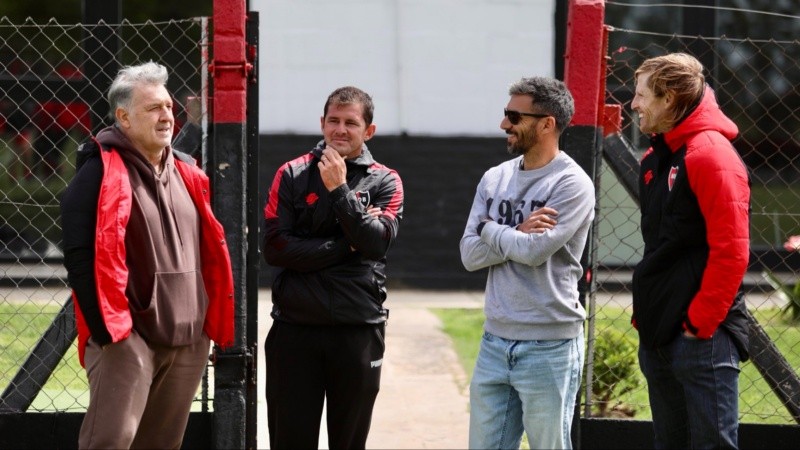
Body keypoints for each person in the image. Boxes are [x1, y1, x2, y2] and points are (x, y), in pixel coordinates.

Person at [60, 61, 234, 449]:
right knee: (110, 441)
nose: (167, 115)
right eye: (153, 108)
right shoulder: (98, 171)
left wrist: (203, 327)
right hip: (128, 339)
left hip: (188, 338)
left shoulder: (188, 170)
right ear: (123, 116)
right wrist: (111, 336)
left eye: (169, 107)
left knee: (161, 445)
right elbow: (80, 256)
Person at [262, 86, 404, 449]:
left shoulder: (386, 180)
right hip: (295, 330)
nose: (340, 130)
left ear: (368, 131)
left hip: (358, 330)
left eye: (351, 123)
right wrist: (348, 245)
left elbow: (375, 244)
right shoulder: (291, 174)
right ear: (322, 124)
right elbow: (276, 249)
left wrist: (340, 190)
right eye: (333, 121)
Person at [459, 76, 595, 450]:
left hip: (549, 346)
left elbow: (535, 253)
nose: (505, 124)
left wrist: (489, 228)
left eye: (514, 116)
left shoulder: (571, 184)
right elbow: (469, 256)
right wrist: (516, 230)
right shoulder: (495, 178)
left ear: (547, 123)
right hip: (494, 340)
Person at [630, 52, 751, 449]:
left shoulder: (711, 155)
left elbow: (731, 251)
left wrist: (699, 325)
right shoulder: (656, 157)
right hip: (661, 333)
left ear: (669, 98)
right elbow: (660, 248)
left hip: (702, 339)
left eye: (642, 94)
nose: (634, 104)